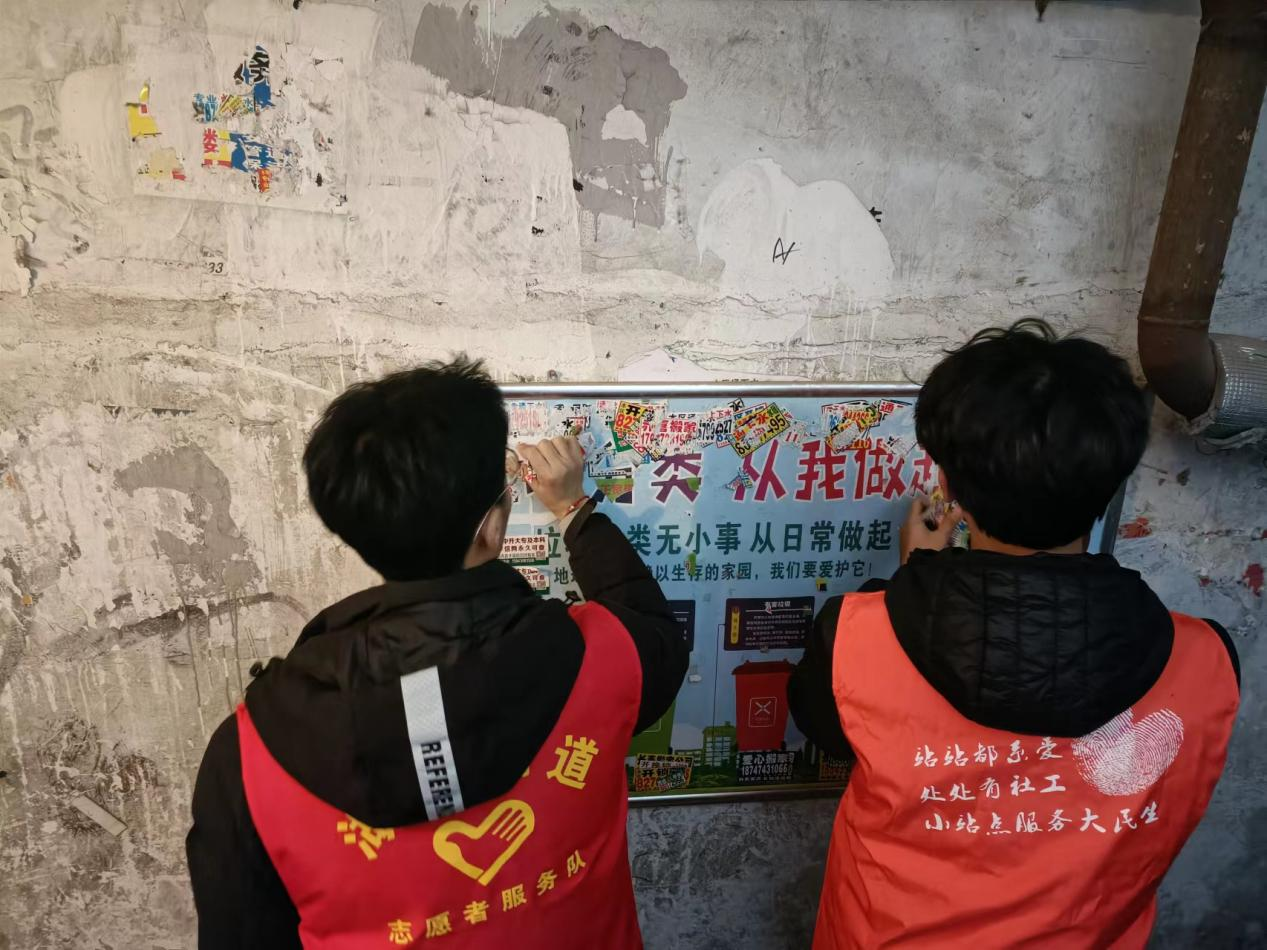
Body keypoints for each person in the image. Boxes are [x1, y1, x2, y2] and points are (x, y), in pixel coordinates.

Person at [187, 356, 688, 949]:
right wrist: (574, 510)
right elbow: (655, 632)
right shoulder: (602, 659)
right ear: (491, 528)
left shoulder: (251, 753)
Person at [789, 320, 1240, 949]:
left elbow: (824, 726)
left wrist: (914, 581)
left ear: (947, 485)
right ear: (1111, 485)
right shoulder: (1208, 662)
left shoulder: (854, 638)